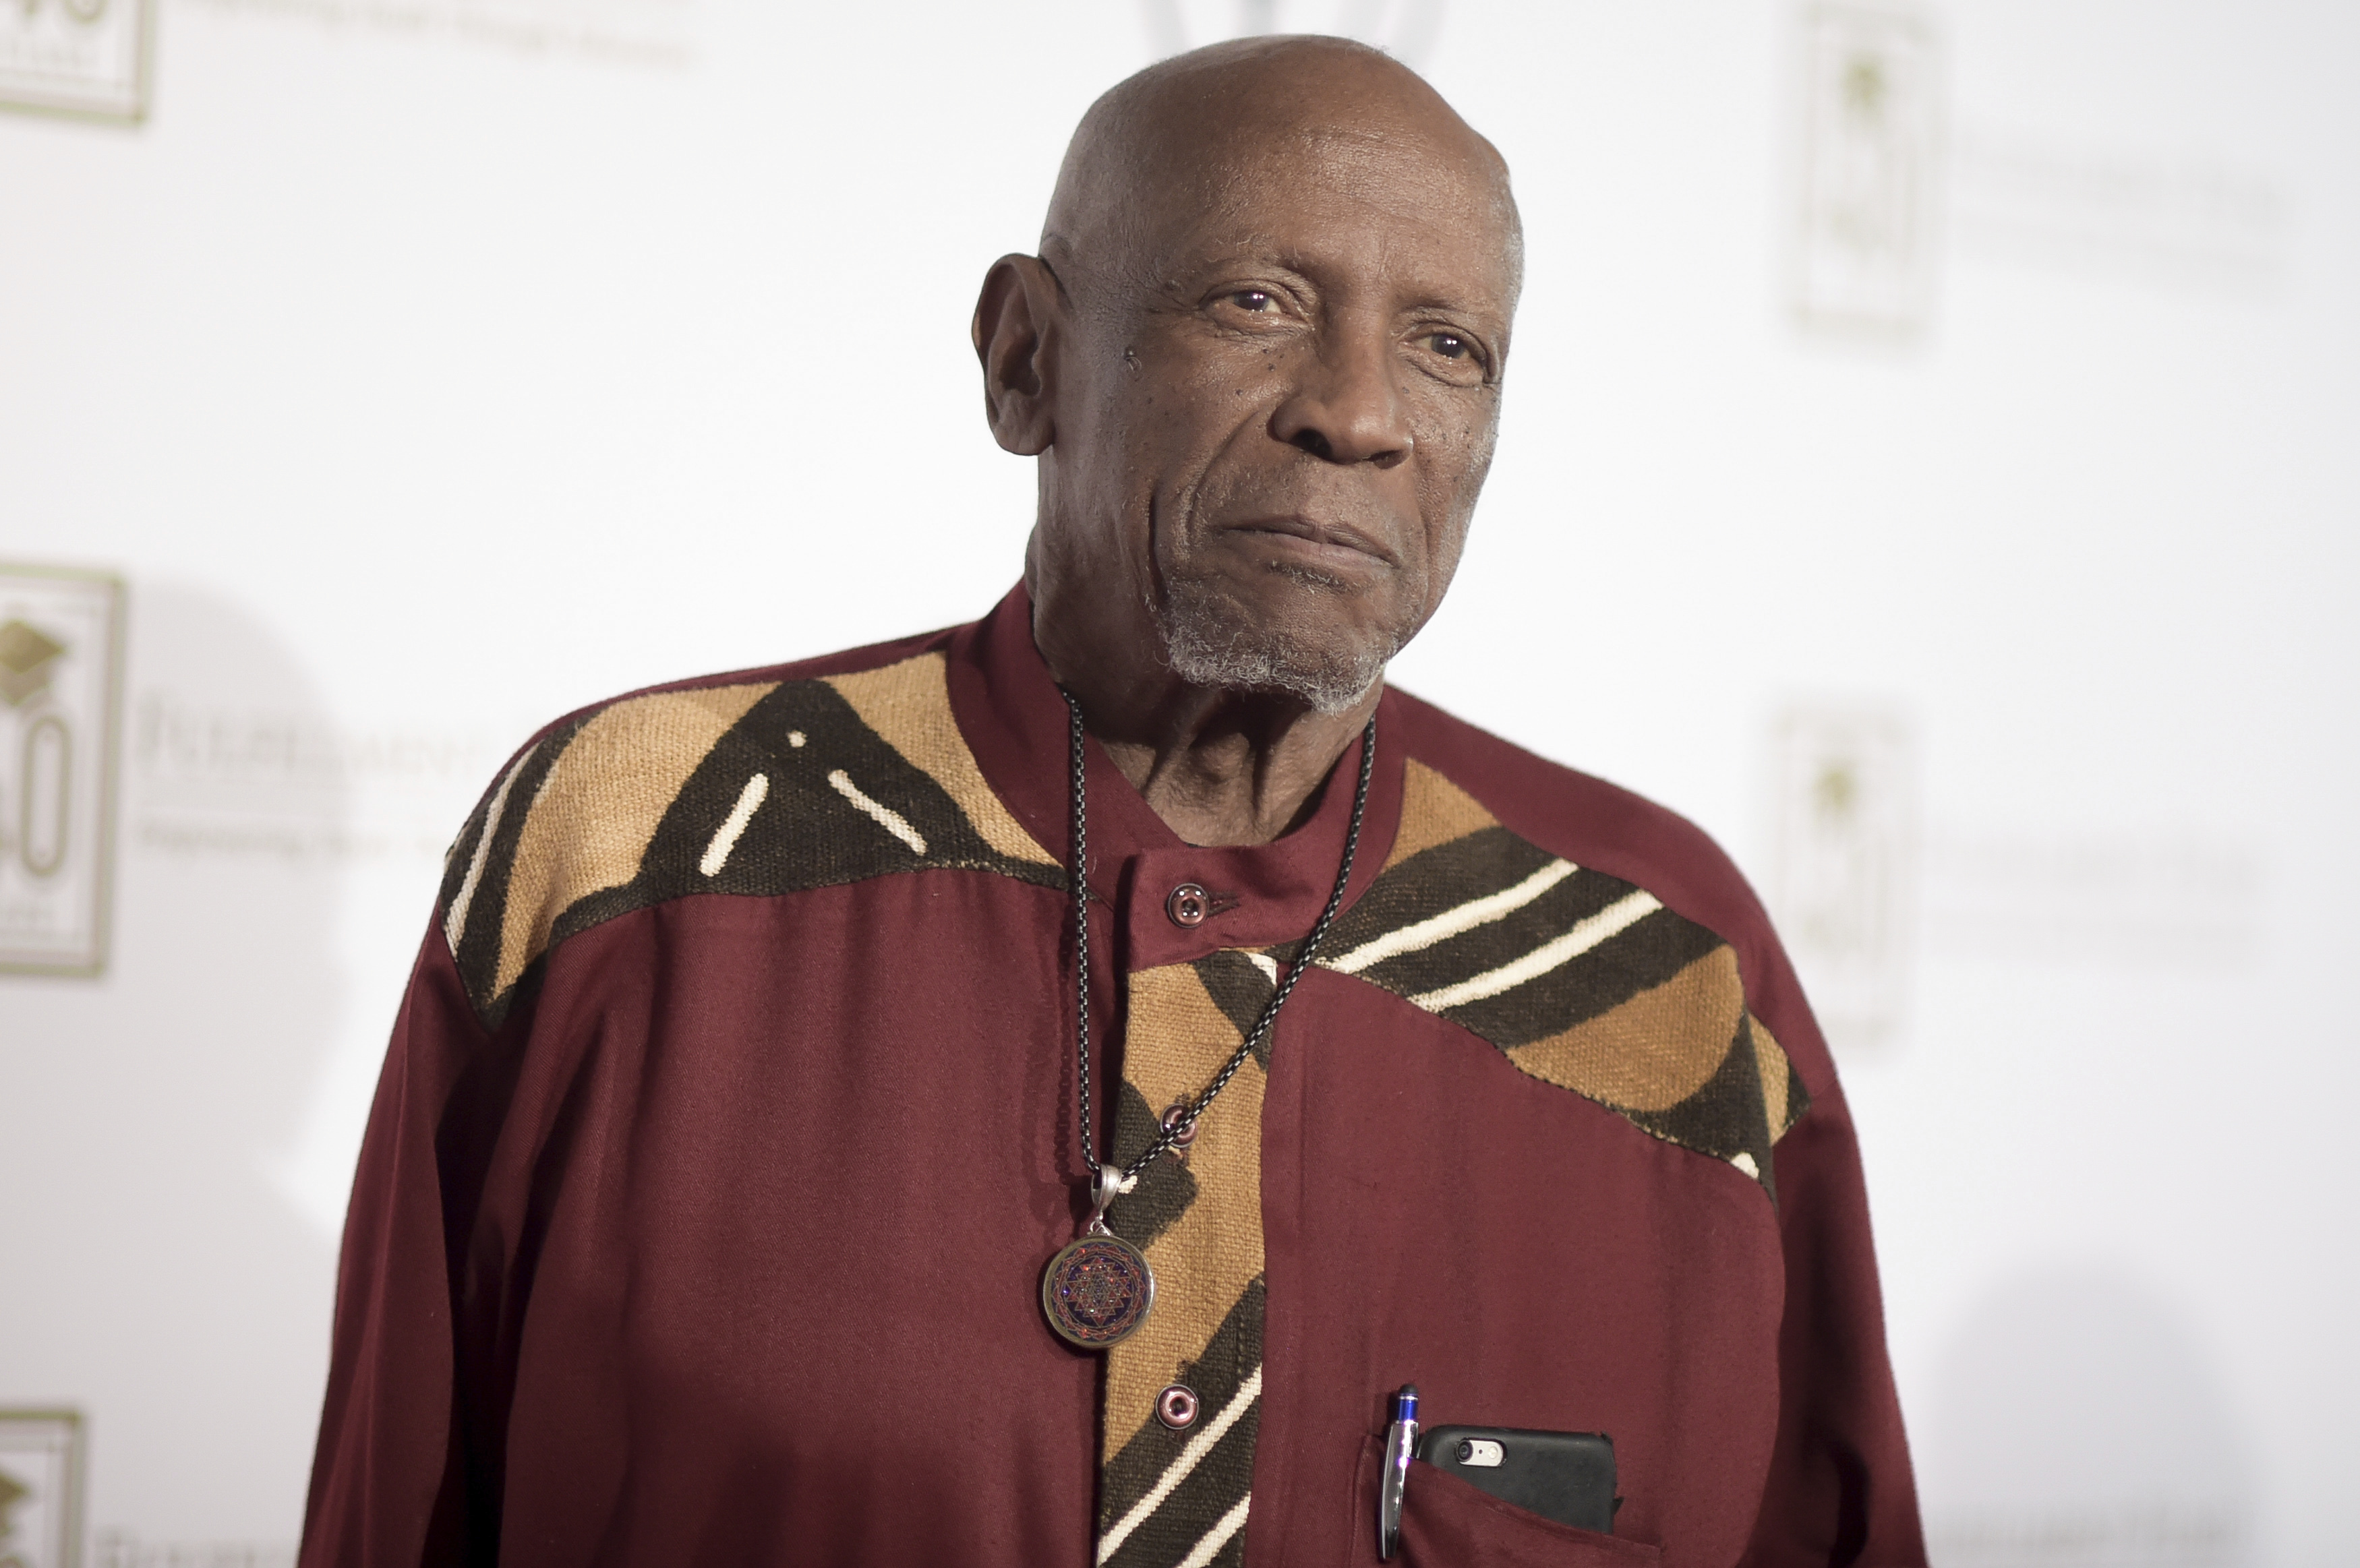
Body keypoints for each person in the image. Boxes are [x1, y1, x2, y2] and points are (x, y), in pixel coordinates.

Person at [300, 34, 1923, 1568]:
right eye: (1257, 300)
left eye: (1448, 346)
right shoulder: (634, 857)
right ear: (1027, 362)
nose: (1359, 413)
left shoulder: (1671, 974)